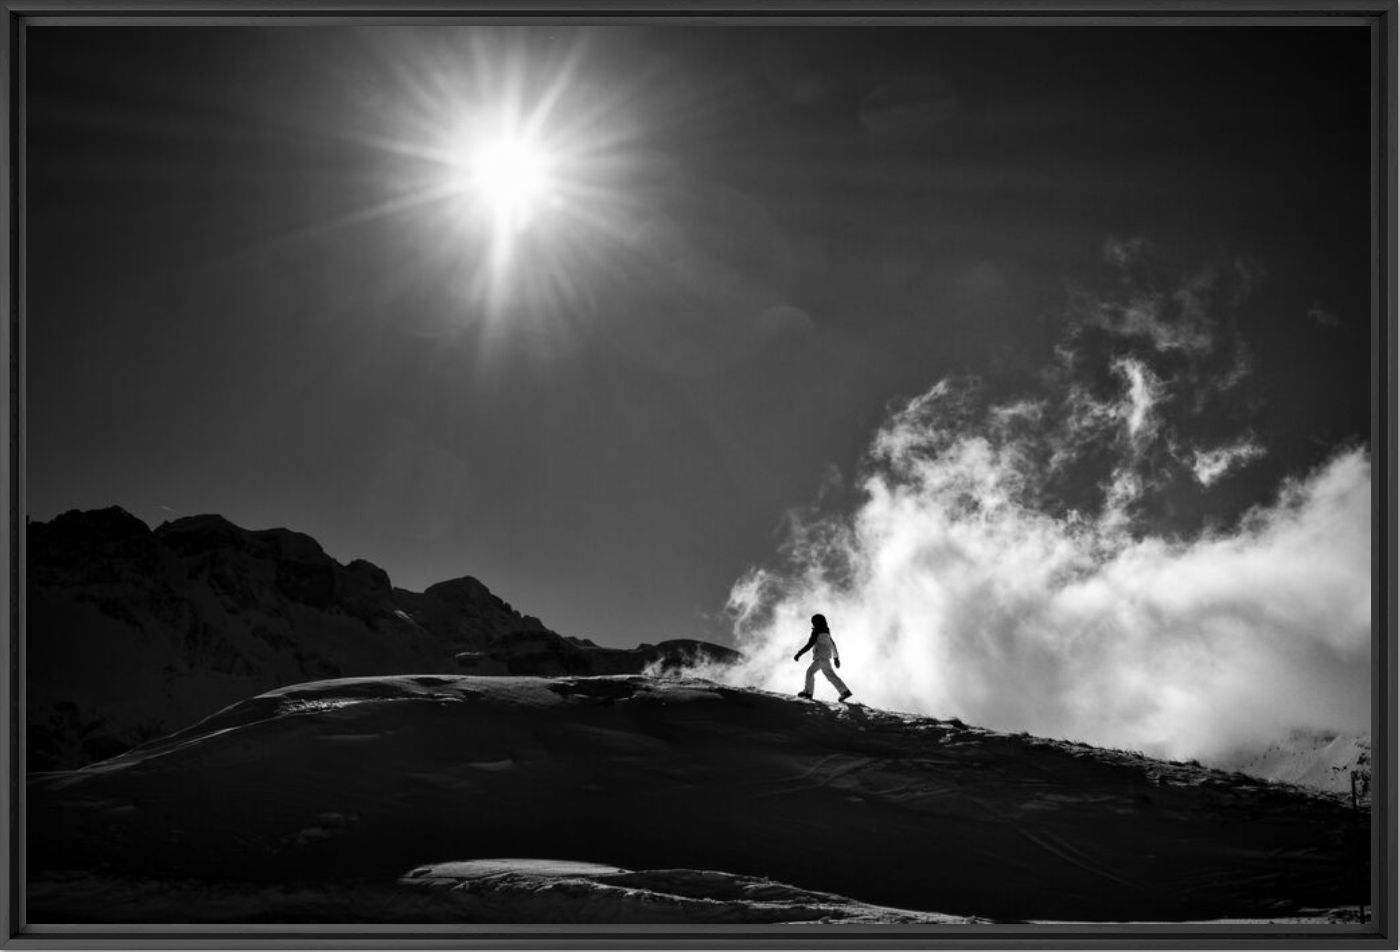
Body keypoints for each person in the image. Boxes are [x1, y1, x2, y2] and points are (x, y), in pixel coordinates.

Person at [794, 613, 852, 701]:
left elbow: (810, 644)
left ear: (816, 622)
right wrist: (836, 658)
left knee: (810, 672)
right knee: (829, 675)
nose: (813, 624)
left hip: (820, 658)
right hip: (826, 658)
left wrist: (799, 654)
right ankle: (844, 691)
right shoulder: (827, 632)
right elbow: (833, 645)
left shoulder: (816, 631)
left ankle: (808, 692)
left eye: (813, 622)